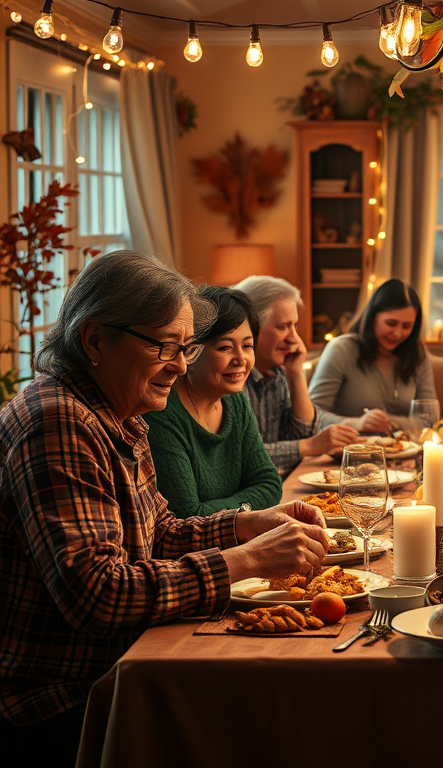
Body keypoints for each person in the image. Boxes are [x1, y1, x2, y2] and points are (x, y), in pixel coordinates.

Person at [0, 251, 330, 767]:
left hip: (124, 666)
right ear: (93, 340)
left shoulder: (118, 412)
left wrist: (247, 525)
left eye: (186, 347)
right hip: (64, 698)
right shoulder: (59, 422)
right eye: (164, 347)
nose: (179, 365)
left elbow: (159, 531)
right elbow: (97, 595)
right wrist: (247, 561)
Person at [144, 286, 283, 517]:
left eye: (247, 346)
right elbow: (187, 514)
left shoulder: (235, 402)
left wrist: (232, 509)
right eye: (225, 347)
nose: (241, 359)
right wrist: (246, 506)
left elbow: (269, 484)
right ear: (191, 352)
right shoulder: (162, 413)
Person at [234, 276, 360, 475]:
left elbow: (301, 434)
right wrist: (310, 446)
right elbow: (242, 457)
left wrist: (296, 373)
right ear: (251, 327)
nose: (294, 338)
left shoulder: (277, 373)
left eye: (295, 326)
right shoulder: (232, 377)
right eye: (283, 327)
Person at [309, 278, 436, 433]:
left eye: (407, 326)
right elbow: (311, 417)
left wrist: (390, 422)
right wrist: (355, 423)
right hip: (350, 450)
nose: (397, 333)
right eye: (390, 323)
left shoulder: (417, 354)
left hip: (405, 451)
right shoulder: (342, 349)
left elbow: (430, 418)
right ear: (372, 317)